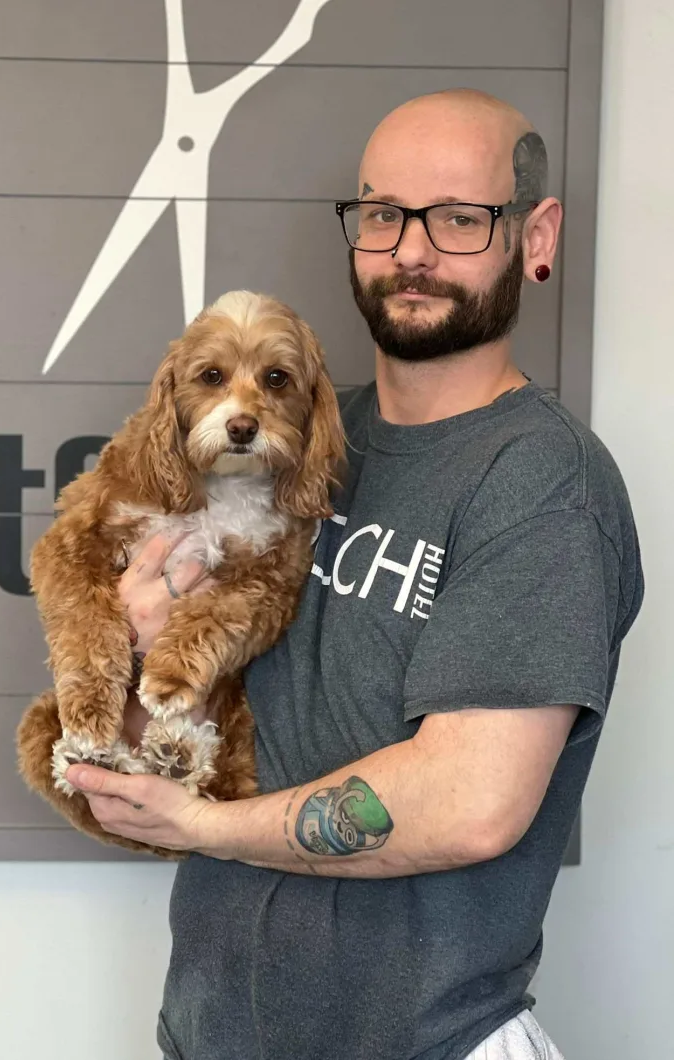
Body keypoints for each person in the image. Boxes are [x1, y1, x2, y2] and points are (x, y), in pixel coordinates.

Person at [65, 89, 644, 1060]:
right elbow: (185, 719)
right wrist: (132, 653)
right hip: (212, 1032)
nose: (411, 250)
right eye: (383, 215)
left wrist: (202, 825)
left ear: (534, 238)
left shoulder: (544, 481)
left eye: (460, 218)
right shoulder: (294, 443)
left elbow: (468, 803)